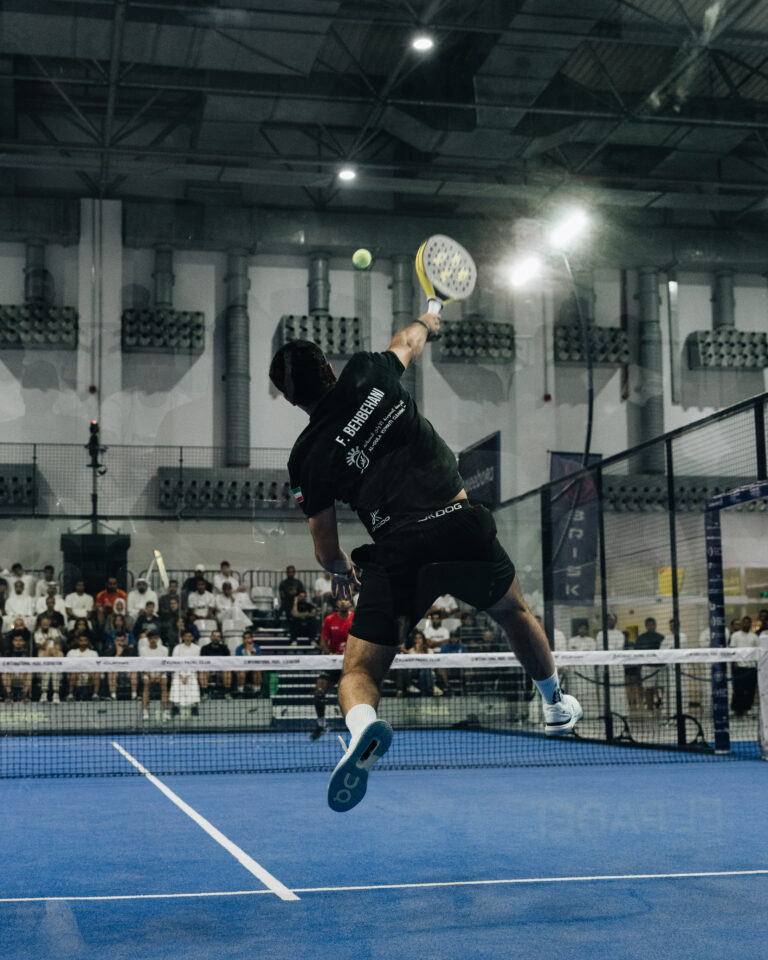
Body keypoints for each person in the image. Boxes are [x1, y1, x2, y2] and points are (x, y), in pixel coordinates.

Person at [270, 314, 580, 811]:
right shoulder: (367, 371)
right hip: (461, 527)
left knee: (359, 672)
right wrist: (426, 322)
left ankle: (363, 728)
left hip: (398, 554)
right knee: (513, 612)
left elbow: (326, 551)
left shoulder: (305, 456)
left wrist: (342, 568)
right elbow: (406, 341)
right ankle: (555, 705)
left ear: (289, 399)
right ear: (328, 367)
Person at [310, 599, 354, 740]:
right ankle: (321, 725)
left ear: (350, 604)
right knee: (319, 691)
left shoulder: (356, 619)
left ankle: (358, 726)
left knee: (350, 696)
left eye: (346, 600)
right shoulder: (329, 620)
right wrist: (330, 654)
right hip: (334, 662)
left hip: (352, 663)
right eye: (341, 600)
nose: (343, 603)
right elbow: (323, 641)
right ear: (337, 605)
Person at [730, 616, 758, 717]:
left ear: (750, 624)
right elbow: (732, 649)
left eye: (748, 622)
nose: (746, 624)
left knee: (750, 690)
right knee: (738, 690)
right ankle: (737, 710)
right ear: (742, 624)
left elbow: (758, 651)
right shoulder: (735, 635)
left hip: (751, 668)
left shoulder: (754, 636)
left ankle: (748, 708)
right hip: (739, 667)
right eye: (744, 622)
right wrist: (735, 663)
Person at [169, 630, 201, 717]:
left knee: (194, 682)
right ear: (183, 637)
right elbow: (174, 663)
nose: (188, 638)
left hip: (192, 673)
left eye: (189, 636)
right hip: (178, 673)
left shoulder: (197, 648)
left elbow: (196, 664)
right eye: (186, 636)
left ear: (192, 638)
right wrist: (181, 675)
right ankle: (175, 707)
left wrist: (188, 676)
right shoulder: (177, 648)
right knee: (176, 682)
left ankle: (194, 707)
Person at [139, 631, 170, 721]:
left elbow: (165, 664)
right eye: (151, 638)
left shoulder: (164, 649)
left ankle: (166, 711)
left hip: (161, 673)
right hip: (147, 673)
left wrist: (159, 675)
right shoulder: (143, 650)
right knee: (146, 686)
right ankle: (145, 711)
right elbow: (143, 665)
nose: (153, 640)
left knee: (164, 686)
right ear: (148, 639)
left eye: (155, 638)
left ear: (158, 639)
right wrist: (149, 675)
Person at [35, 617, 64, 703]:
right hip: (44, 654)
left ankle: (56, 694)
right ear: (40, 624)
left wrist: (51, 648)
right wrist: (49, 643)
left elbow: (59, 644)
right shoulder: (37, 633)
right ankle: (44, 694)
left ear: (50, 623)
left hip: (56, 653)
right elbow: (40, 646)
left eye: (46, 622)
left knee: (55, 670)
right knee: (46, 670)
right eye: (43, 622)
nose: (45, 624)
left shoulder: (56, 631)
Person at [65, 633, 101, 701]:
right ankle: (70, 695)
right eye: (81, 640)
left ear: (88, 642)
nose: (83, 643)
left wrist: (89, 672)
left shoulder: (94, 653)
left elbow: (96, 666)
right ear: (78, 641)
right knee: (73, 673)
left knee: (96, 674)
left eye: (85, 640)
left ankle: (95, 695)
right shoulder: (71, 652)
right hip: (75, 674)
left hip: (89, 674)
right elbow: (68, 666)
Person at [103, 632, 138, 701]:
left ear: (125, 641)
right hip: (114, 670)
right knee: (111, 673)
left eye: (121, 640)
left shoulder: (130, 650)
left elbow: (133, 663)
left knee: (133, 672)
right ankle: (113, 696)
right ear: (114, 641)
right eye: (117, 640)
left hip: (127, 670)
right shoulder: (109, 651)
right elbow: (108, 664)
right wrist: (118, 654)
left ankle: (134, 695)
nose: (119, 642)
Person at [199, 630, 233, 699]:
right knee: (202, 672)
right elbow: (203, 663)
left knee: (227, 672)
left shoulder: (225, 648)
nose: (216, 638)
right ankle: (205, 693)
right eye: (214, 636)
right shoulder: (204, 648)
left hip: (221, 670)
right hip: (208, 670)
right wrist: (211, 670)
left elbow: (228, 662)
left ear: (220, 638)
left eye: (218, 636)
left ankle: (227, 693)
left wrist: (218, 670)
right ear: (211, 637)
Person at [1, 632, 33, 701]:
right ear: (12, 642)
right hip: (11, 678)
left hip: (22, 677)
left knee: (30, 673)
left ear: (24, 642)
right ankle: (9, 695)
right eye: (16, 640)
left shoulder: (28, 655)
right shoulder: (8, 654)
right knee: (4, 673)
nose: (18, 642)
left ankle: (24, 694)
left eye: (20, 640)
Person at [235, 630, 262, 697]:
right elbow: (239, 661)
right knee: (241, 672)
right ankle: (240, 691)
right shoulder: (239, 648)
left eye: (248, 638)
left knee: (257, 670)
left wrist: (252, 652)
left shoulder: (257, 648)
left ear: (252, 639)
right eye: (245, 638)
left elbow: (258, 661)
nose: (247, 640)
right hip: (243, 667)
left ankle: (257, 690)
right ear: (243, 640)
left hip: (254, 667)